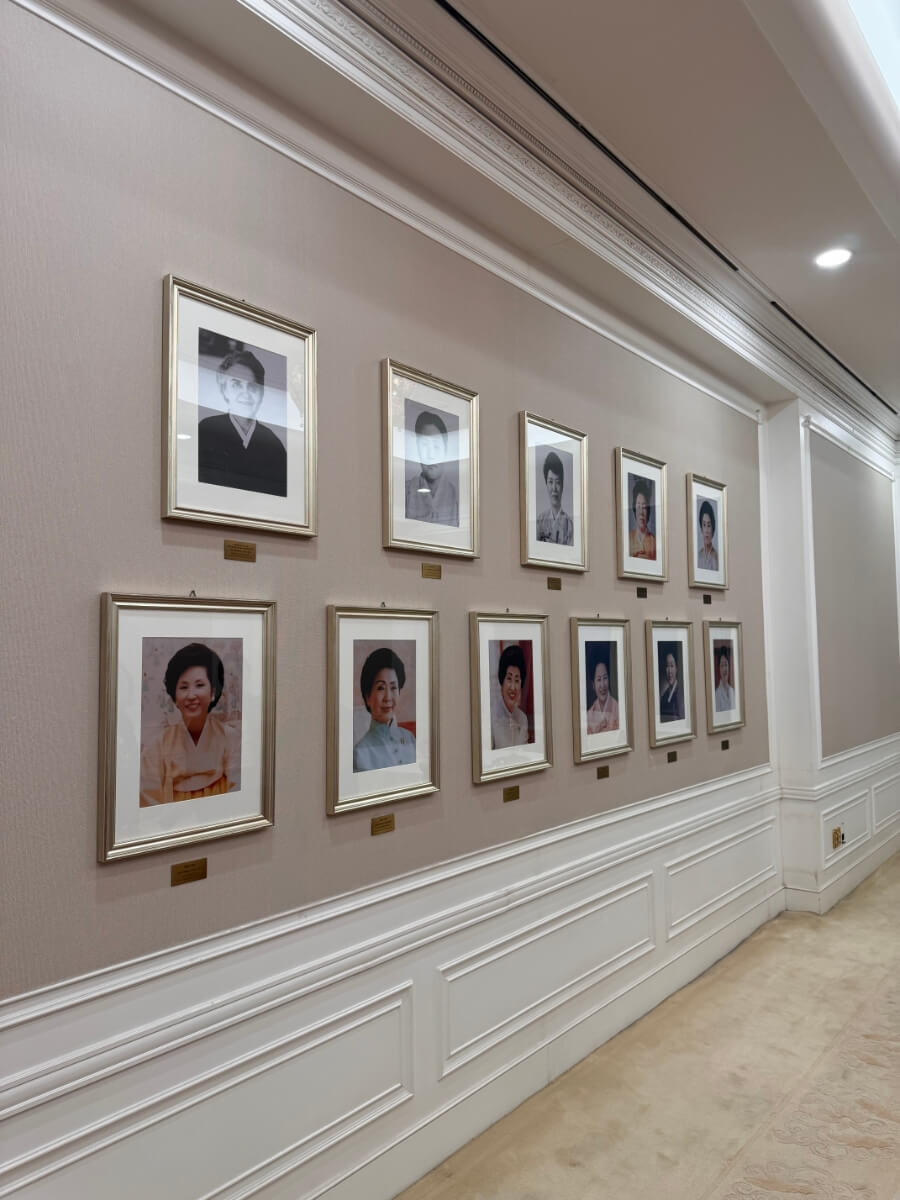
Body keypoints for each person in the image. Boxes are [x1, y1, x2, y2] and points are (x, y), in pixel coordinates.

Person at [140, 643, 240, 806]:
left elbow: (239, 791)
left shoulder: (231, 738)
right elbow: (147, 797)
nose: (191, 695)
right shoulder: (159, 745)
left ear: (213, 692)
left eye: (199, 685)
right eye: (184, 687)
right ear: (175, 696)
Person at [198, 347, 287, 496]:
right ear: (224, 390)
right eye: (236, 385)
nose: (245, 393)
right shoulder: (205, 431)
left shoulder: (274, 445)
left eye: (252, 386)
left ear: (261, 393)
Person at [353, 647, 416, 771]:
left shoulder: (409, 738)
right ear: (367, 697)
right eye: (381, 688)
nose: (388, 697)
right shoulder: (359, 754)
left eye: (393, 687)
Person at [405, 409, 459, 526]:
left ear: (445, 450)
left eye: (436, 446)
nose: (431, 455)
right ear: (417, 450)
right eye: (424, 445)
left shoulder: (458, 496)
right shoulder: (405, 491)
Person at [491, 644, 530, 748]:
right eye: (509, 678)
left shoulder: (523, 719)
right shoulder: (491, 717)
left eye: (517, 680)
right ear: (502, 681)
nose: (513, 687)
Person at [535, 450, 574, 545]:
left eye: (558, 482)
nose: (554, 488)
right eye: (550, 482)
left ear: (562, 485)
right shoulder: (539, 521)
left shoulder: (570, 525)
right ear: (546, 484)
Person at [586, 649, 619, 733]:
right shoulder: (589, 715)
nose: (603, 685)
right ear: (593, 685)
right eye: (599, 679)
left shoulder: (618, 709)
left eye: (605, 678)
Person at [629, 477, 656, 559]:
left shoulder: (654, 542)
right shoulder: (628, 538)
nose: (641, 512)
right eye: (638, 506)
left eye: (644, 507)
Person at [659, 650, 684, 722]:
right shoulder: (664, 696)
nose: (669, 671)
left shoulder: (681, 694)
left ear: (676, 668)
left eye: (672, 666)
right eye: (667, 666)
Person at [697, 500, 719, 571]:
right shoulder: (698, 555)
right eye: (704, 525)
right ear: (701, 527)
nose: (706, 530)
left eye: (709, 525)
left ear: (713, 528)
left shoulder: (716, 557)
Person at [715, 646, 735, 711]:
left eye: (726, 664)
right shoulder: (716, 694)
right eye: (722, 665)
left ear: (729, 666)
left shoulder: (733, 691)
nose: (724, 669)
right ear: (719, 669)